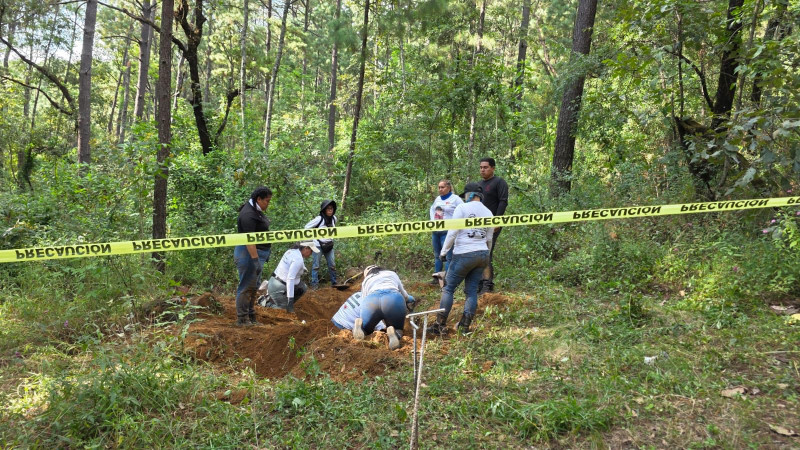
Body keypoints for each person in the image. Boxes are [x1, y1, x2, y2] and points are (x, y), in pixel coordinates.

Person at [428, 182, 493, 335]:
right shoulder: (488, 212)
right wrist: (485, 255)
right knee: (471, 291)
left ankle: (439, 325)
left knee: (448, 288)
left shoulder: (462, 208)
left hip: (464, 253)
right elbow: (489, 238)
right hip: (482, 254)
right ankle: (465, 326)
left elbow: (452, 233)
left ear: (469, 195)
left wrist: (443, 252)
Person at [352, 266, 416, 350]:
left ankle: (361, 328)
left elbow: (363, 301)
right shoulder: (392, 273)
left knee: (367, 331)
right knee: (398, 329)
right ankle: (394, 333)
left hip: (371, 301)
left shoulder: (366, 280)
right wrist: (409, 299)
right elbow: (404, 294)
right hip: (393, 299)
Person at [234, 187, 273, 327]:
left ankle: (250, 316)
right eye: (267, 201)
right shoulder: (248, 214)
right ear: (259, 199)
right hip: (248, 254)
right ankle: (242, 319)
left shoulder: (256, 211)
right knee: (247, 286)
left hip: (256, 254)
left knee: (254, 286)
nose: (268, 204)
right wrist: (255, 260)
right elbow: (249, 240)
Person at [477, 157, 508, 294]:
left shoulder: (499, 182)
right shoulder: (478, 185)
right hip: (477, 225)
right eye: (481, 167)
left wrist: (497, 221)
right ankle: (478, 282)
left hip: (492, 224)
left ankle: (487, 284)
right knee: (477, 252)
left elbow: (503, 201)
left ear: (493, 168)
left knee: (487, 252)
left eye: (486, 167)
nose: (483, 170)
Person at [267, 241, 320, 313]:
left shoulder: (291, 251)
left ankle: (282, 301)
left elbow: (291, 264)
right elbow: (290, 279)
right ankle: (266, 303)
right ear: (306, 248)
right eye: (311, 251)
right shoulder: (298, 259)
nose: (311, 254)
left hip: (274, 282)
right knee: (283, 312)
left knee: (302, 288)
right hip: (279, 287)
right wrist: (290, 300)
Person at [429, 179, 463, 277]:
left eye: (442, 187)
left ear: (448, 188)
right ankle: (437, 276)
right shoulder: (437, 199)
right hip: (436, 230)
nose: (440, 189)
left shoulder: (456, 199)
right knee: (437, 255)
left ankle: (448, 278)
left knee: (448, 256)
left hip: (448, 231)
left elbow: (463, 210)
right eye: (439, 187)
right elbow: (432, 210)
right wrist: (432, 222)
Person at [304, 200, 338, 289]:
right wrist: (310, 241)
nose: (330, 210)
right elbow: (306, 227)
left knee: (332, 265)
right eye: (328, 209)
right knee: (316, 266)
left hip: (329, 245)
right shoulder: (319, 219)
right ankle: (314, 286)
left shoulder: (334, 218)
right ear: (324, 210)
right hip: (317, 245)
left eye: (331, 208)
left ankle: (334, 283)